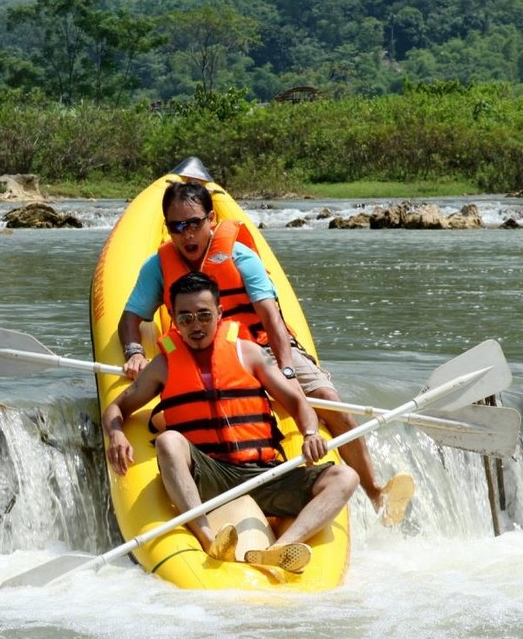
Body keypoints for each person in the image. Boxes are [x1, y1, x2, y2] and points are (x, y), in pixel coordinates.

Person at [118, 173, 413, 525]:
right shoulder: (159, 266)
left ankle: (373, 490)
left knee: (329, 402)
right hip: (203, 349)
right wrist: (134, 351)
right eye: (177, 226)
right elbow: (130, 317)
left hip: (262, 347)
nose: (186, 234)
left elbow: (271, 318)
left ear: (211, 220)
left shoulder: (239, 256)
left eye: (193, 223)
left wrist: (286, 370)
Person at [103, 272, 359, 572]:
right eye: (185, 319)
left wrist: (310, 432)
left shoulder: (248, 353)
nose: (195, 326)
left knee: (345, 477)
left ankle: (280, 548)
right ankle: (208, 538)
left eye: (204, 316)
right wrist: (116, 434)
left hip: (262, 473)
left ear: (220, 313)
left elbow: (297, 402)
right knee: (168, 440)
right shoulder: (164, 364)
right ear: (174, 319)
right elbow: (116, 409)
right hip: (210, 475)